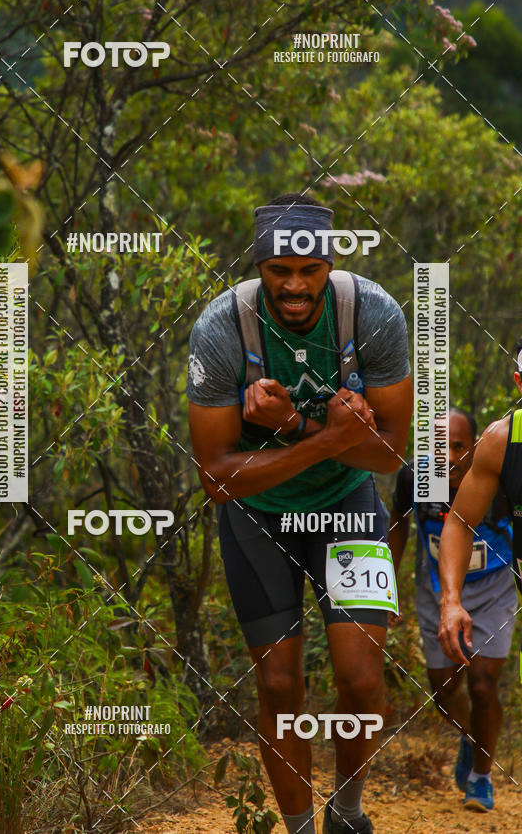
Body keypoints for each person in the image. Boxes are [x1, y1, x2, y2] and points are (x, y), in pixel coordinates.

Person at [186, 193, 413, 834]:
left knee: (362, 678)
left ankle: (346, 814)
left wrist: (289, 421)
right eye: (278, 269)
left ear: (330, 261)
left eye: (308, 270)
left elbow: (391, 453)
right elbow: (216, 478)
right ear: (259, 264)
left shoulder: (373, 315)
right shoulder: (222, 328)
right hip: (257, 515)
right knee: (281, 687)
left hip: (347, 503)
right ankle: (298, 829)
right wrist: (328, 436)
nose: (293, 284)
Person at [389, 408, 516, 812]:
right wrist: (387, 583)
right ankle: (469, 736)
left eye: (458, 446)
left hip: (494, 589)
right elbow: (398, 526)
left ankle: (481, 777)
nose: (447, 456)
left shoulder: (498, 475)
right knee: (444, 689)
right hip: (437, 589)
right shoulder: (413, 478)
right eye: (436, 447)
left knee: (482, 685)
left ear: (475, 447)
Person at [438, 338, 522, 812]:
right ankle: (476, 755)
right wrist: (451, 600)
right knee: (456, 686)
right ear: (518, 383)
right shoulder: (501, 441)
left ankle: (482, 774)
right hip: (498, 583)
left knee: (485, 686)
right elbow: (459, 521)